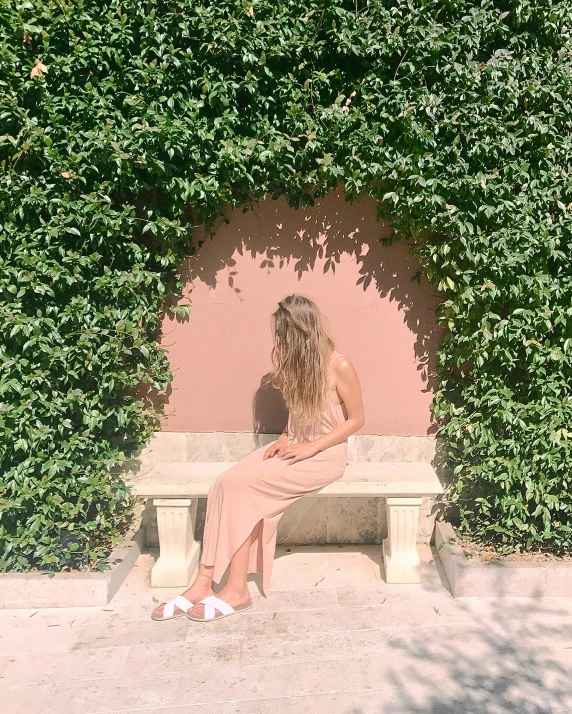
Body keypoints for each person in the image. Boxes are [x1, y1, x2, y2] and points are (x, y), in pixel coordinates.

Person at [152, 294, 365, 622]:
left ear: (299, 330)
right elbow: (300, 413)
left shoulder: (340, 364)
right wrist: (285, 436)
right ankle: (203, 582)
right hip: (295, 446)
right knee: (223, 483)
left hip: (324, 456)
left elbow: (356, 420)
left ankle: (237, 589)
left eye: (282, 333)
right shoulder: (297, 362)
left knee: (241, 488)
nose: (278, 339)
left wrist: (312, 447)